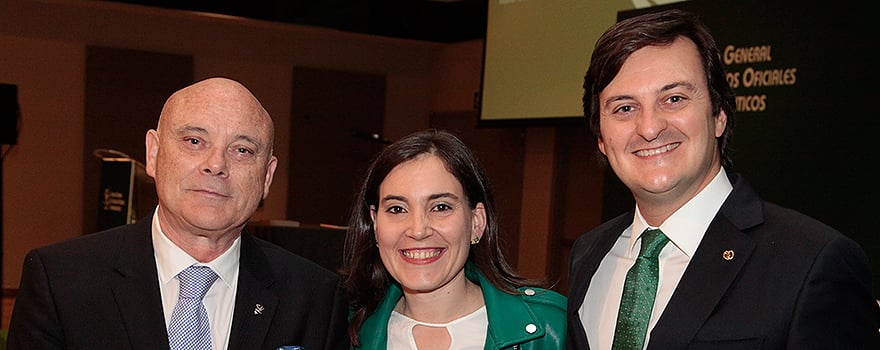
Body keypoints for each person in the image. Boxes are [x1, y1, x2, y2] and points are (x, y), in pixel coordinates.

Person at [567, 8, 880, 349]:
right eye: (625, 108)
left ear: (719, 116)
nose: (650, 127)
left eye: (674, 99)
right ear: (601, 137)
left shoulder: (814, 262)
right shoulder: (589, 254)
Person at [7, 77, 349, 350]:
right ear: (153, 153)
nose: (216, 164)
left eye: (242, 150)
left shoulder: (315, 297)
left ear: (267, 177)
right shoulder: (61, 281)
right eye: (194, 141)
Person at [341, 129, 567, 349]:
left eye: (441, 207)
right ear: (374, 223)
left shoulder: (551, 327)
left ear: (476, 222)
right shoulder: (343, 329)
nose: (418, 230)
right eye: (397, 209)